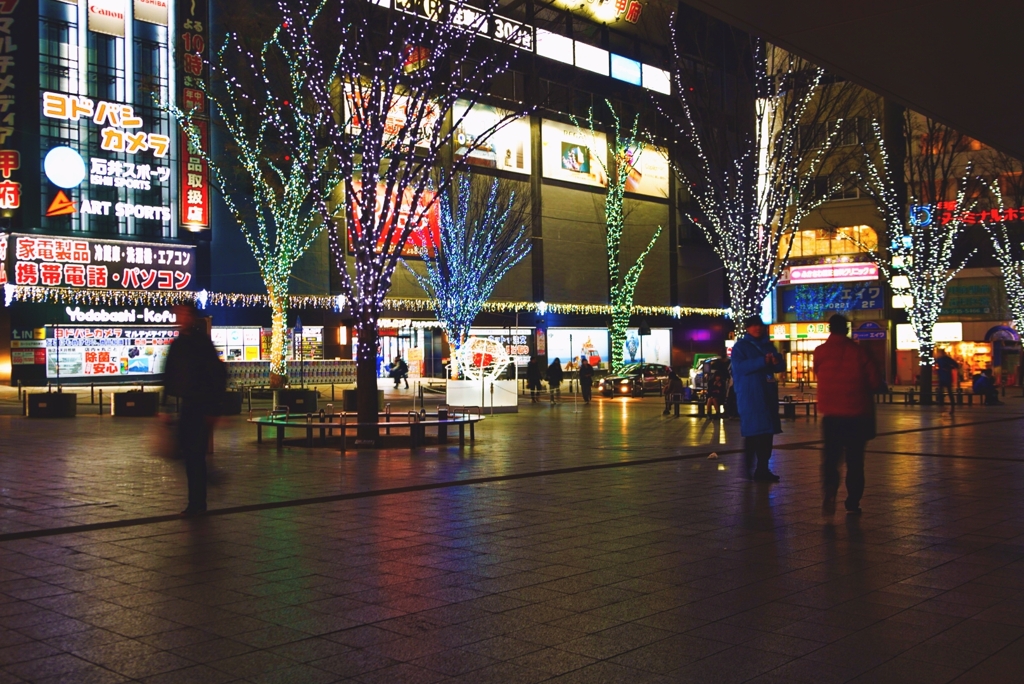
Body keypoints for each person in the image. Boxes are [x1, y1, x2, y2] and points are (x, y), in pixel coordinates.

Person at [814, 314, 882, 516]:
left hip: (831, 415)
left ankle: (830, 490)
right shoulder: (859, 352)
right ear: (846, 329)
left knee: (831, 459)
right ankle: (853, 501)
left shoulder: (820, 352)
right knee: (855, 461)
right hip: (857, 414)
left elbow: (818, 373)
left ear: (830, 329)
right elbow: (875, 381)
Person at [164, 304, 226, 516]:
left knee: (194, 455)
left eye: (183, 314)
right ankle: (206, 483)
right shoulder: (179, 343)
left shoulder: (201, 343)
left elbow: (217, 374)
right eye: (178, 314)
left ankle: (197, 503)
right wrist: (165, 407)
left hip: (201, 406)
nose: (180, 317)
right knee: (184, 452)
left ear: (191, 317)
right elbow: (169, 375)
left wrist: (215, 408)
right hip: (187, 405)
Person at [731, 315, 786, 482]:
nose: (758, 328)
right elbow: (739, 367)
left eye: (760, 325)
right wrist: (763, 361)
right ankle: (749, 468)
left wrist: (776, 361)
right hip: (750, 395)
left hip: (768, 394)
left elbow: (780, 366)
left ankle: (762, 469)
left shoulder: (768, 345)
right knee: (754, 433)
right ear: (747, 328)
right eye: (754, 325)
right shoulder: (741, 347)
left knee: (767, 433)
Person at [934, 348, 959, 413]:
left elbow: (955, 365)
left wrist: (947, 368)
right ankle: (945, 406)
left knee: (944, 392)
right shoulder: (943, 359)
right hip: (945, 376)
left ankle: (943, 406)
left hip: (944, 376)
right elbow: (956, 365)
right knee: (946, 392)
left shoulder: (941, 359)